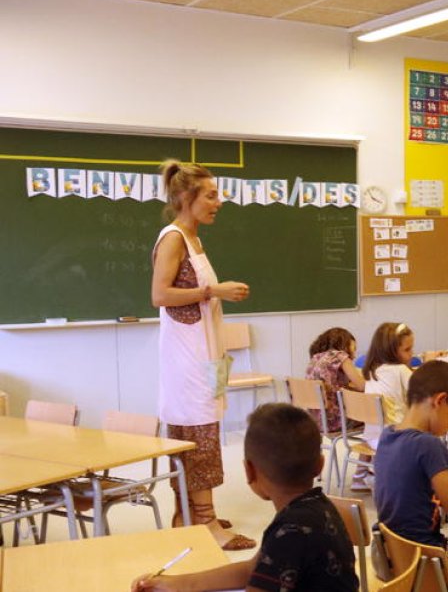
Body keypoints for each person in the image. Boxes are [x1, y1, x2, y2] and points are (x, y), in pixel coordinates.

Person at [131, 403, 358, 592]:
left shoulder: (288, 533)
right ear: (320, 465)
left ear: (249, 471)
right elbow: (252, 570)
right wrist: (179, 584)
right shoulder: (319, 508)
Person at [149, 159, 254, 551]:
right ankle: (206, 523)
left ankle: (187, 515)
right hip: (187, 359)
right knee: (199, 433)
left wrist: (216, 293)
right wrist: (214, 291)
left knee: (204, 431)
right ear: (185, 198)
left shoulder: (194, 238)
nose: (218, 202)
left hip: (206, 353)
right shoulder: (174, 237)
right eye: (210, 195)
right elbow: (159, 296)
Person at [374, 360, 448, 547]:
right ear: (440, 401)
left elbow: (439, 472)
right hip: (426, 556)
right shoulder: (428, 445)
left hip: (392, 551)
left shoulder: (388, 434)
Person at [304, 327, 364, 436]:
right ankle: (371, 450)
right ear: (345, 344)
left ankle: (365, 453)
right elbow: (362, 386)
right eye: (353, 348)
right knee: (378, 415)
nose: (354, 355)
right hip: (337, 422)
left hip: (316, 421)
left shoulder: (316, 357)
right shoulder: (340, 356)